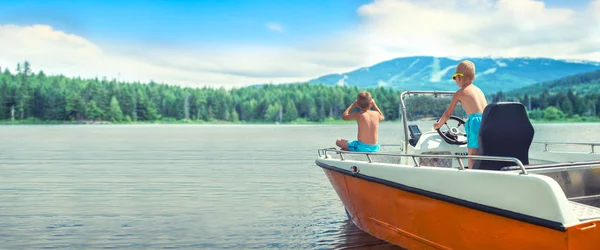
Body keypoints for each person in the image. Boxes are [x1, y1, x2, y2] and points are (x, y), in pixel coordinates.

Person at [433, 60, 487, 169]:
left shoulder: (460, 93)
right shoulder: (479, 90)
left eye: (454, 78)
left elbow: (448, 113)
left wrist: (438, 125)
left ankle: (472, 177)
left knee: (472, 155)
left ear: (458, 77)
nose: (455, 81)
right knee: (483, 152)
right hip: (487, 120)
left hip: (475, 122)